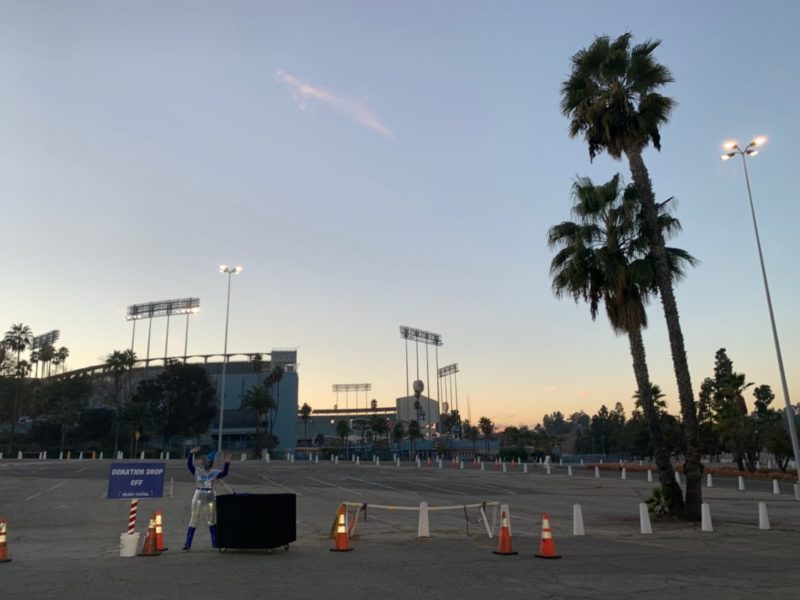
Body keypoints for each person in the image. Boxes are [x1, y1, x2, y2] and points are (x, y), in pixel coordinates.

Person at [182, 447, 232, 550]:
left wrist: (227, 463)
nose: (207, 463)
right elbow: (189, 465)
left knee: (211, 520)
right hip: (199, 494)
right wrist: (191, 453)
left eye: (209, 461)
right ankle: (188, 544)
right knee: (194, 519)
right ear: (203, 462)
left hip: (210, 495)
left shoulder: (214, 472)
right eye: (206, 461)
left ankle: (215, 542)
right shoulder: (198, 471)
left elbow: (224, 473)